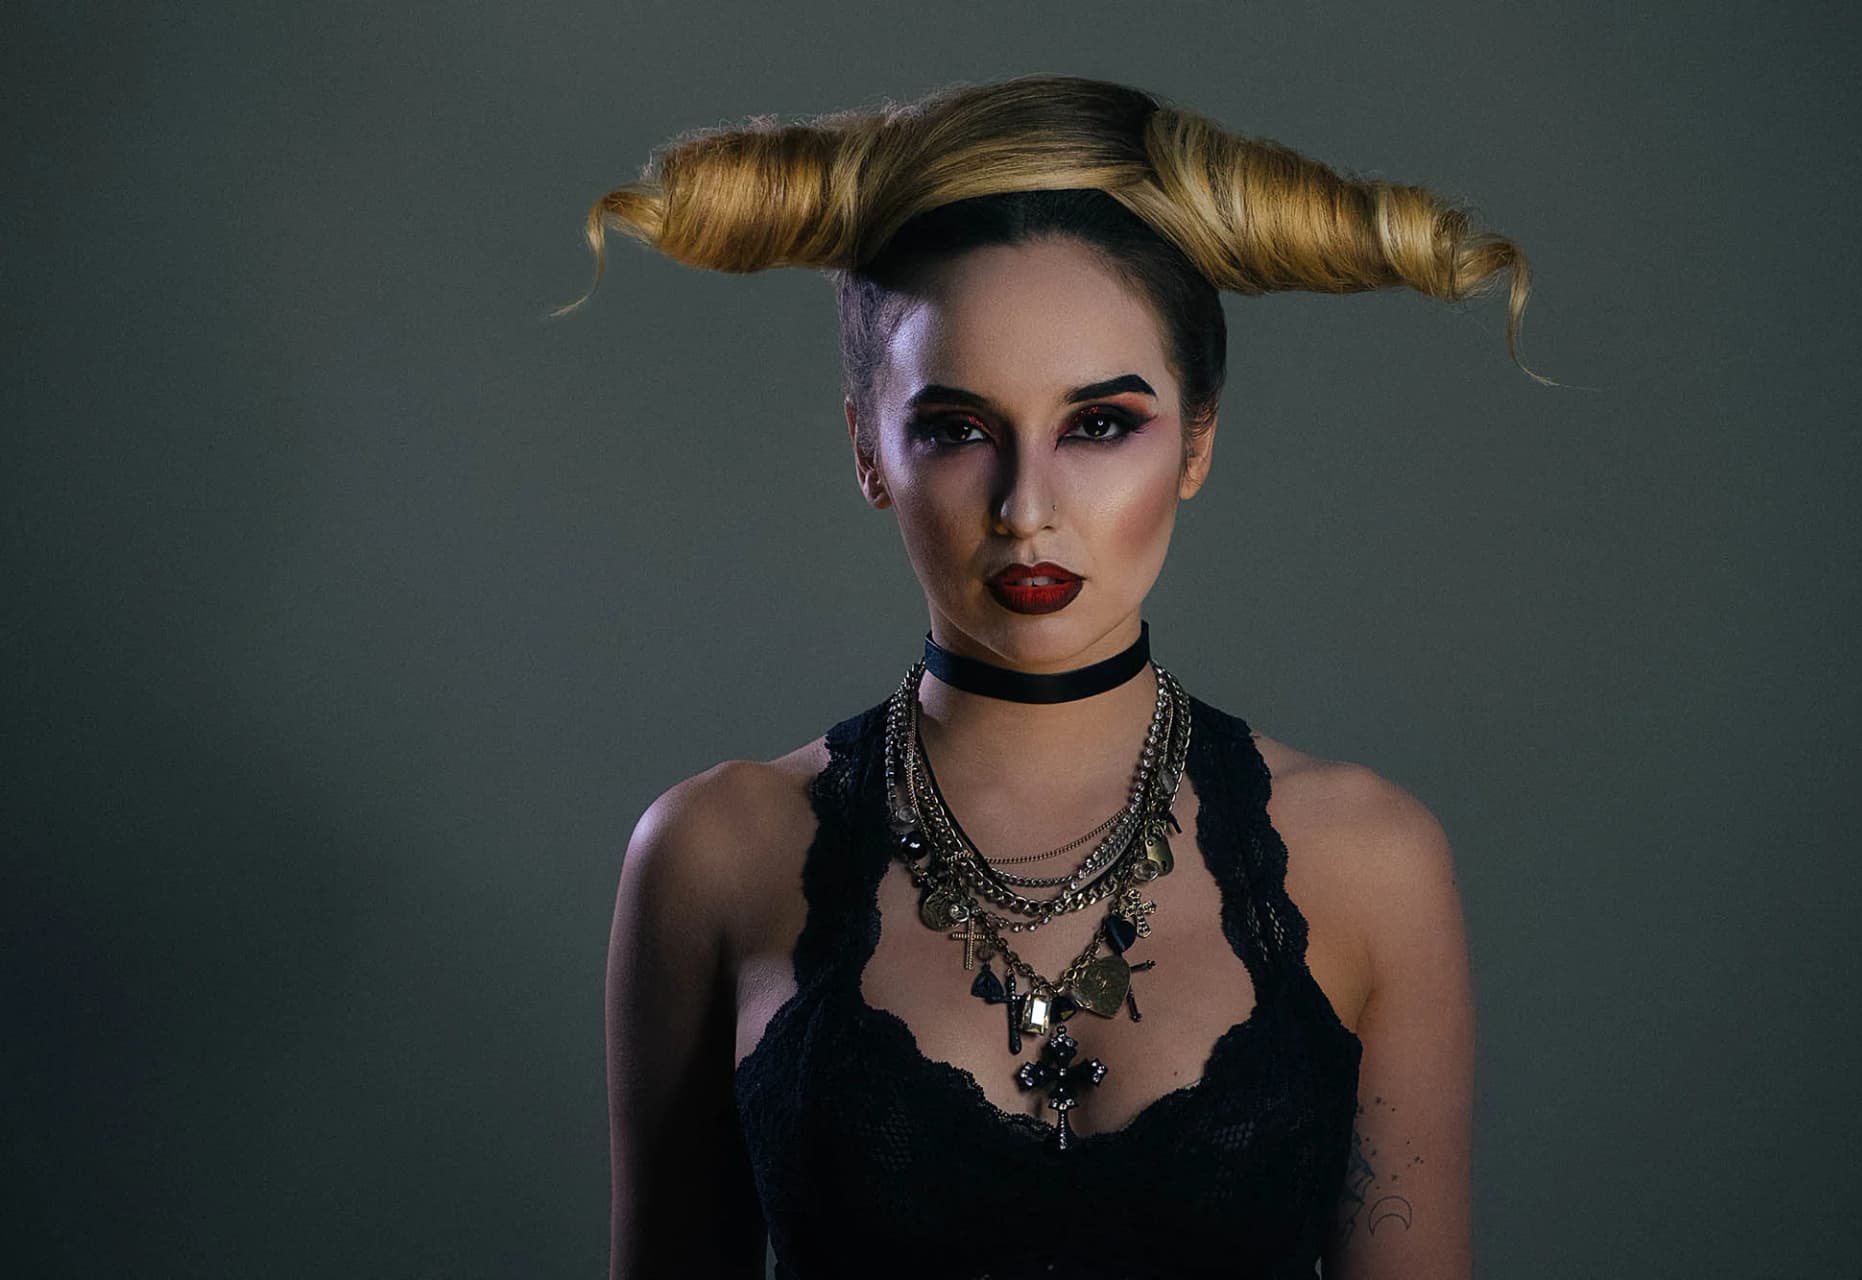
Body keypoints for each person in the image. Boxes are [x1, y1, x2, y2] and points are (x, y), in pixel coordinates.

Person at [572, 73, 1532, 1280]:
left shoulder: (1369, 862)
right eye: (958, 428)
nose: (1028, 510)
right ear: (869, 449)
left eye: (1099, 425)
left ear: (1197, 440)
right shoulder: (715, 854)